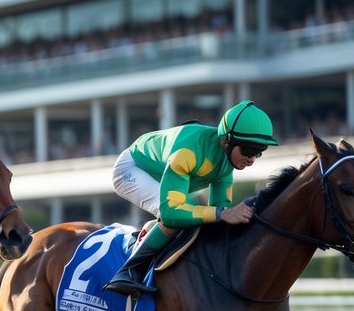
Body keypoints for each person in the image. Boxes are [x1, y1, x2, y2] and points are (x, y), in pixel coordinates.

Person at [103, 100, 278, 295]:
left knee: (199, 212)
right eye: (247, 150)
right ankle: (128, 271)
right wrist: (221, 213)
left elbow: (221, 211)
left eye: (259, 152)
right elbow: (172, 213)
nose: (252, 159)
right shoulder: (188, 152)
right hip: (132, 169)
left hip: (166, 175)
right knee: (176, 216)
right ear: (226, 141)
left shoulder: (227, 161)